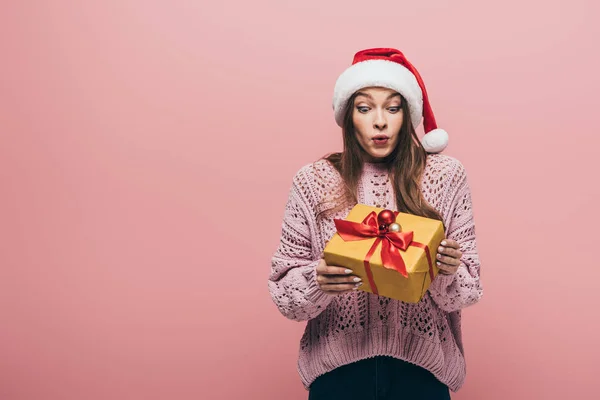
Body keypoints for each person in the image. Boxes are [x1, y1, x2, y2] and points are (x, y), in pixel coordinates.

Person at [268, 48, 483, 400]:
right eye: (365, 108)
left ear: (408, 114)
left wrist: (445, 269)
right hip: (337, 375)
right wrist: (316, 281)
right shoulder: (313, 181)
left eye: (393, 108)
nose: (379, 121)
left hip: (422, 373)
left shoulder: (446, 176)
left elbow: (469, 289)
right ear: (348, 115)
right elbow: (285, 296)